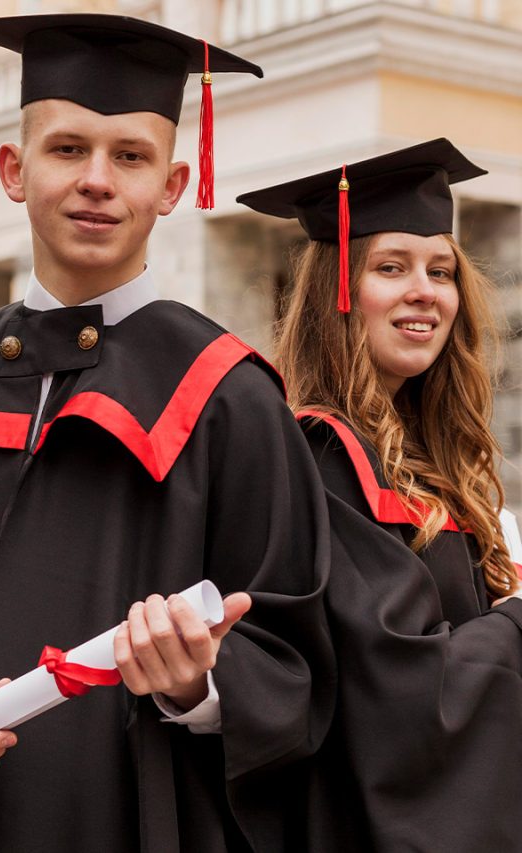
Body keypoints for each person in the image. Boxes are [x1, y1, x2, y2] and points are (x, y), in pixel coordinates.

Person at [0, 14, 335, 853]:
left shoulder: (231, 399)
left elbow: (300, 663)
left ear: (171, 184)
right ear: (14, 171)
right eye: (67, 149)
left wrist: (201, 685)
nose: (97, 179)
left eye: (129, 155)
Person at [238, 138, 522, 851]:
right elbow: (397, 689)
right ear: (340, 290)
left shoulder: (428, 460)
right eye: (390, 267)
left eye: (441, 271)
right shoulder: (323, 455)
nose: (424, 290)